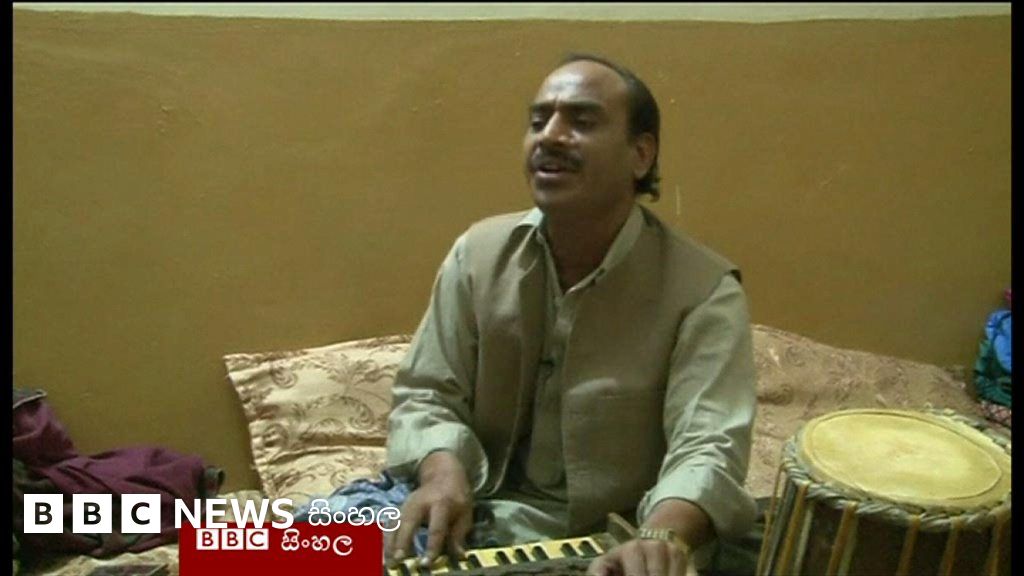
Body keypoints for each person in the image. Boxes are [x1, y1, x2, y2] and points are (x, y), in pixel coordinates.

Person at [383, 53, 758, 576]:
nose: (550, 136)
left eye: (581, 121)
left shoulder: (703, 291)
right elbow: (427, 393)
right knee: (276, 554)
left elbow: (708, 446)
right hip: (468, 518)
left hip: (613, 544)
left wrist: (660, 538)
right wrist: (442, 475)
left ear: (640, 155)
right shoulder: (478, 255)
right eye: (539, 121)